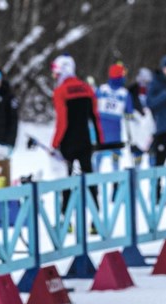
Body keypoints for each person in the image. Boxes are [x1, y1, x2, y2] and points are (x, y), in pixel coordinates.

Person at [50, 53, 104, 211]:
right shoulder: (87, 88)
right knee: (89, 178)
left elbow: (62, 121)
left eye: (55, 72)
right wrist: (100, 139)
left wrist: (55, 143)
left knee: (67, 180)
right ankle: (95, 219)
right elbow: (95, 116)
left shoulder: (60, 91)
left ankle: (67, 219)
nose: (54, 76)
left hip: (68, 143)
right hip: (85, 141)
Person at [95, 62, 135, 170]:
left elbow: (93, 104)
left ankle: (93, 178)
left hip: (100, 127)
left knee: (98, 153)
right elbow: (130, 112)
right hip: (115, 129)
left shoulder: (102, 89)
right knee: (115, 155)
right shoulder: (124, 93)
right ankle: (116, 180)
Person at [126, 68, 154, 165]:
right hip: (136, 128)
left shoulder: (153, 90)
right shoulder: (131, 90)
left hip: (150, 129)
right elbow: (127, 108)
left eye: (146, 80)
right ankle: (136, 177)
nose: (144, 82)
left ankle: (154, 178)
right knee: (137, 155)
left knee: (152, 153)